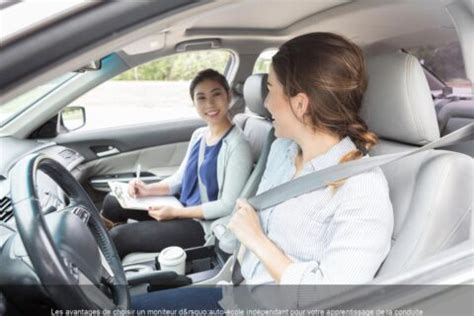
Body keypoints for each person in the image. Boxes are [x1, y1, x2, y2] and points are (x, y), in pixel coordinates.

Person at [132, 32, 394, 310]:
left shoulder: (361, 188)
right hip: (235, 296)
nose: (265, 103)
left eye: (270, 88)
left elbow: (331, 301)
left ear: (300, 104)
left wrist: (256, 239)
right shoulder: (283, 150)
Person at [101, 69, 253, 259]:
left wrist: (176, 213)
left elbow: (227, 205)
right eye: (201, 98)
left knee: (118, 237)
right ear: (194, 103)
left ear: (228, 96)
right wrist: (147, 190)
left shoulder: (238, 145)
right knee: (112, 202)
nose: (210, 104)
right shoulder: (199, 135)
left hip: (203, 224)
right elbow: (179, 179)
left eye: (216, 94)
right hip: (179, 206)